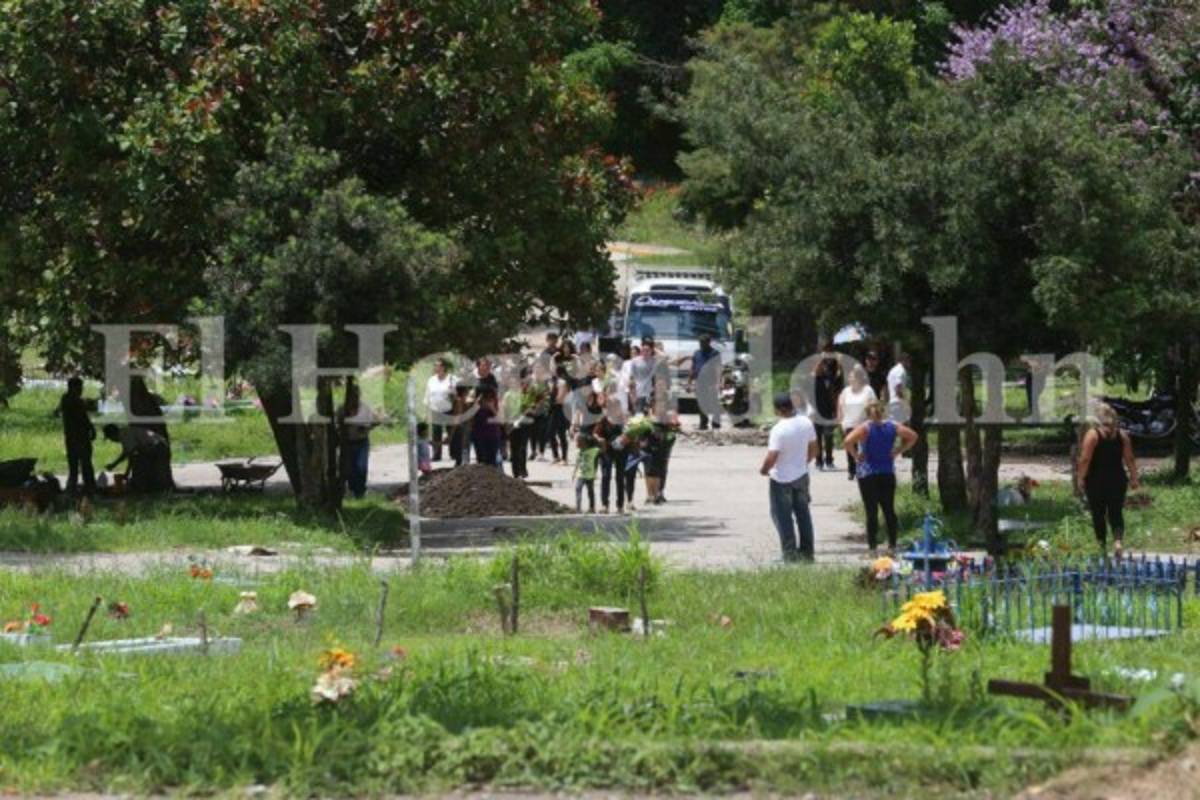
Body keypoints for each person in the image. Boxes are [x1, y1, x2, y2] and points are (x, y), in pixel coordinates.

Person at [842, 401, 918, 555]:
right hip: (887, 471)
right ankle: (892, 546)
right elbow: (913, 436)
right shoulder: (892, 426)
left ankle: (872, 548)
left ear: (867, 414)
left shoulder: (865, 427)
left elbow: (847, 441)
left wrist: (856, 455)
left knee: (871, 511)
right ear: (883, 412)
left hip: (868, 473)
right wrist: (898, 451)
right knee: (889, 509)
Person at [760, 392, 819, 562]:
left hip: (781, 479)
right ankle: (807, 552)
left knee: (782, 516)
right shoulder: (806, 422)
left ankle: (790, 554)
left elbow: (772, 456)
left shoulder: (779, 429)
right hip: (801, 475)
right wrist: (804, 462)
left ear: (778, 410)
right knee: (803, 514)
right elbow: (814, 448)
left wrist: (764, 470)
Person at [1077, 402, 1140, 556]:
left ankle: (1102, 547)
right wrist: (1134, 478)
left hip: (1096, 480)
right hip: (1118, 479)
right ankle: (1118, 541)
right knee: (1116, 512)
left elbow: (1085, 459)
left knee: (1098, 513)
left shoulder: (1093, 435)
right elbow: (1130, 458)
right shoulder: (1122, 435)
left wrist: (1080, 477)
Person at [337, 380, 380, 499]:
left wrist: (367, 427)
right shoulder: (342, 409)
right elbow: (337, 424)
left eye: (356, 395)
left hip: (361, 442)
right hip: (347, 442)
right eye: (352, 395)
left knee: (361, 467)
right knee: (349, 469)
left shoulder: (365, 408)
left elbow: (376, 421)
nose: (354, 398)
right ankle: (353, 489)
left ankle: (360, 491)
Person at [102, 423, 172, 494]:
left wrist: (127, 473)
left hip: (158, 446)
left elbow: (132, 456)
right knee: (140, 458)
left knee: (139, 462)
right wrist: (114, 464)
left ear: (113, 434)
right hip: (155, 445)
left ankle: (142, 487)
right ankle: (142, 486)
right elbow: (126, 453)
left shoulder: (125, 435)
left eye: (110, 438)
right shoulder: (124, 434)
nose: (112, 441)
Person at [56, 377, 96, 495]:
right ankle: (88, 487)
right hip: (79, 436)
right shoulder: (73, 400)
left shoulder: (67, 399)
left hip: (72, 436)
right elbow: (83, 417)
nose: (81, 390)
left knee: (75, 463)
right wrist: (91, 428)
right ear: (72, 388)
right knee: (85, 463)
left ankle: (74, 488)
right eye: (79, 388)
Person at [837, 366, 877, 481]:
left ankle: (867, 469)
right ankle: (852, 470)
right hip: (849, 423)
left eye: (852, 377)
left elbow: (874, 405)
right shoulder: (846, 391)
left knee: (865, 448)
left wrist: (873, 420)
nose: (850, 379)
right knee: (850, 447)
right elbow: (840, 406)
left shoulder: (868, 390)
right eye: (849, 377)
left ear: (859, 378)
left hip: (864, 424)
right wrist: (840, 421)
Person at [812, 346, 843, 470]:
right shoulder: (815, 375)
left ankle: (829, 460)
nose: (825, 366)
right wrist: (822, 357)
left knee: (828, 436)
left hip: (828, 409)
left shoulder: (831, 374)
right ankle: (818, 461)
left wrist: (836, 410)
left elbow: (836, 390)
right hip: (816, 410)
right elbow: (816, 370)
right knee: (817, 437)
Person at [594, 397, 627, 514]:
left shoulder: (623, 420)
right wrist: (600, 439)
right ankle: (604, 505)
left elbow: (630, 433)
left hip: (621, 451)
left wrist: (626, 438)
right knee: (605, 476)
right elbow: (596, 433)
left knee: (620, 477)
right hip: (607, 451)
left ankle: (620, 505)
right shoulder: (603, 420)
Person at [689, 334, 723, 431]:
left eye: (703, 343)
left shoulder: (714, 353)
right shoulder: (697, 353)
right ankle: (703, 423)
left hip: (711, 381)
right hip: (700, 381)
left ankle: (716, 423)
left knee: (714, 402)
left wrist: (718, 382)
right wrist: (689, 382)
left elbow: (718, 368)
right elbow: (693, 367)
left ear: (708, 343)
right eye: (700, 343)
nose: (701, 345)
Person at [424, 359, 456, 461]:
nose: (436, 368)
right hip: (435, 409)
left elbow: (459, 393)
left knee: (451, 432)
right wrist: (426, 411)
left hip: (449, 409)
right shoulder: (431, 380)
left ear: (443, 367)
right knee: (436, 432)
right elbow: (427, 395)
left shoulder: (452, 379)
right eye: (435, 366)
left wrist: (453, 392)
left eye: (438, 366)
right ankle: (436, 454)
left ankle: (454, 453)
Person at [471, 389, 503, 467]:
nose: (488, 401)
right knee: (481, 460)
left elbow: (501, 420)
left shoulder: (497, 404)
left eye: (490, 398)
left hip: (492, 436)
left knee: (492, 460)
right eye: (486, 398)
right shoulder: (477, 406)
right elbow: (471, 419)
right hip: (479, 436)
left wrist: (492, 408)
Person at [630, 337, 659, 414]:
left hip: (648, 391)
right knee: (638, 412)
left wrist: (655, 349)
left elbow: (665, 357)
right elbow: (632, 377)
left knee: (649, 413)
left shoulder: (654, 361)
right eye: (643, 350)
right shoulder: (635, 361)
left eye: (647, 350)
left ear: (651, 350)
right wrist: (633, 392)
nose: (645, 352)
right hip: (637, 391)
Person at [573, 434, 601, 513]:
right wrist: (574, 473)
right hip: (580, 475)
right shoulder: (578, 452)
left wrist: (597, 439)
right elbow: (577, 463)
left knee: (590, 491)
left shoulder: (593, 451)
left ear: (584, 443)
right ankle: (578, 508)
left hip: (590, 475)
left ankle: (592, 507)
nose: (576, 444)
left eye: (578, 442)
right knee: (578, 489)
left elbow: (601, 448)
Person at [886, 352, 911, 422]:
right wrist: (905, 403)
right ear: (904, 361)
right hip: (898, 404)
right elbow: (898, 387)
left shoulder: (893, 370)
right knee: (900, 425)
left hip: (892, 402)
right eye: (908, 361)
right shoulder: (900, 371)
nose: (909, 364)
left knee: (894, 425)